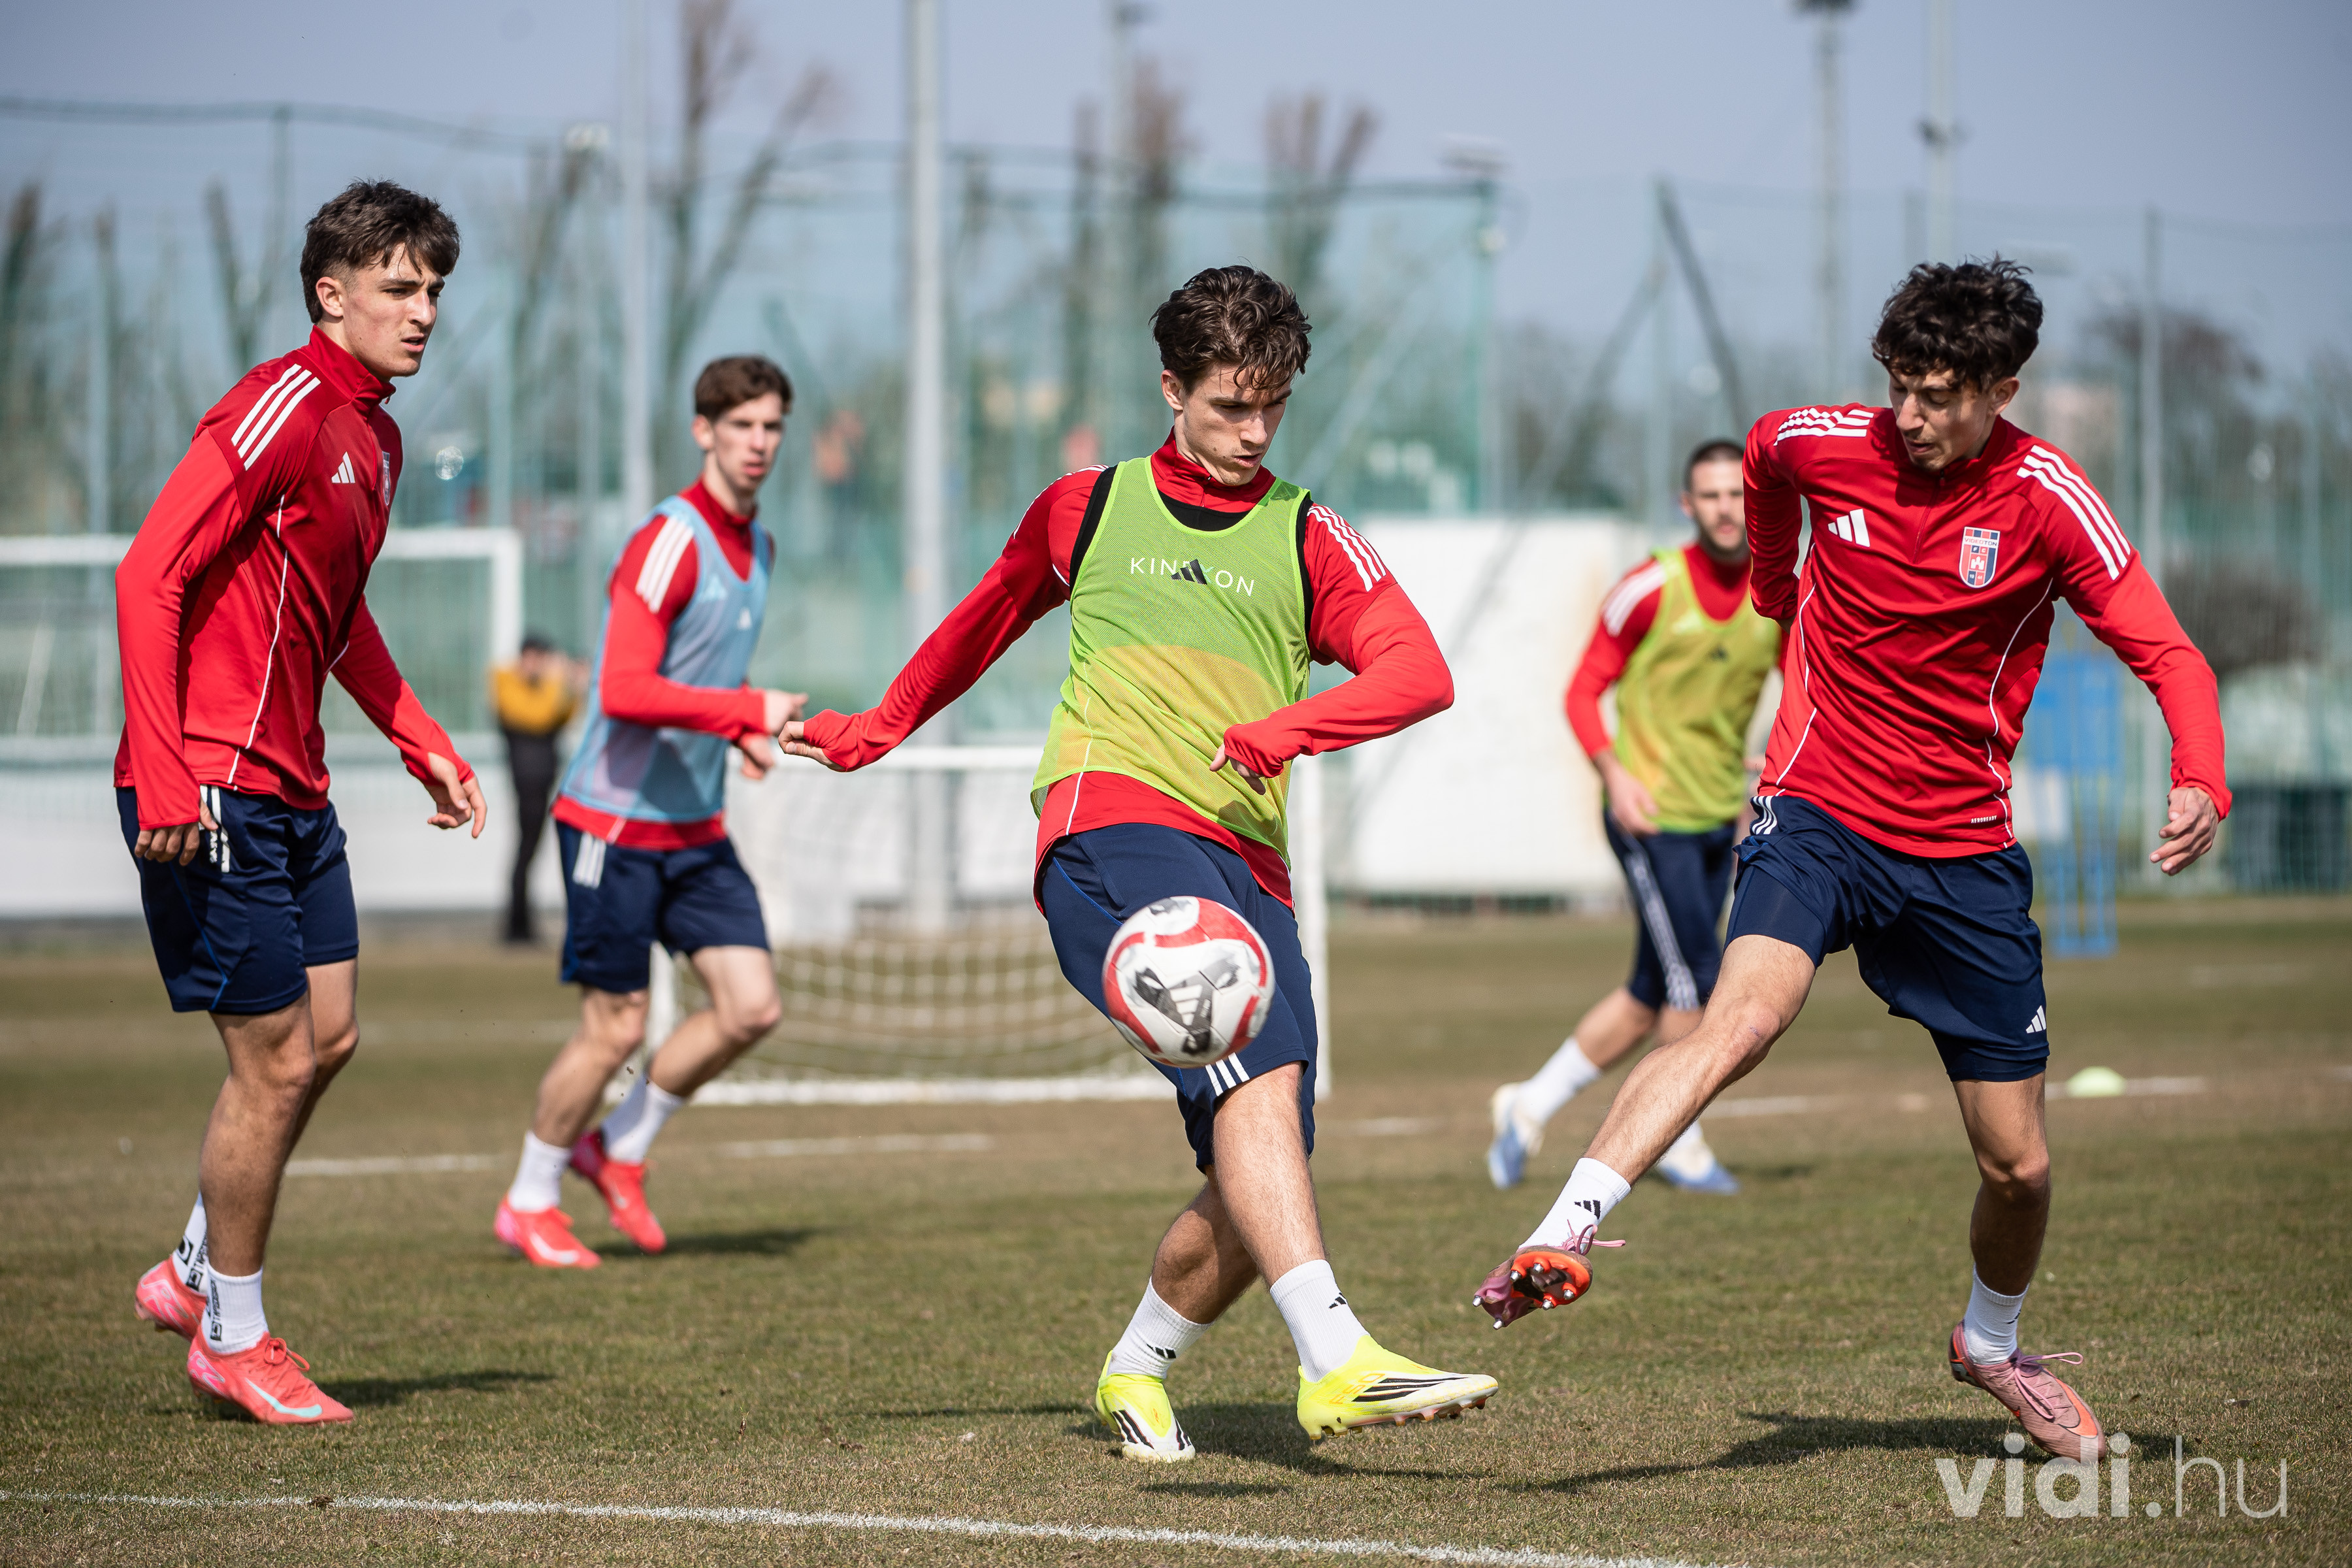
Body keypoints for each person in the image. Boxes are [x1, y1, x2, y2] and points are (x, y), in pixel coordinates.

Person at [1471, 259, 2229, 1462]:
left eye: (1939, 395)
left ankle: (1991, 1345)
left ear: (2002, 391)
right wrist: (1779, 579)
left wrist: (2200, 773)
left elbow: (2170, 653)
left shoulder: (2049, 497)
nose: (1910, 416)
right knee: (1739, 1021)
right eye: (1899, 388)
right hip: (1815, 807)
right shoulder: (1826, 442)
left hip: (1963, 851)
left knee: (2019, 1166)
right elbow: (1766, 458)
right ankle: (1562, 1228)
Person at [782, 266, 1496, 1459]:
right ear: (1172, 390)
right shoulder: (1089, 507)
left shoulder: (1308, 531)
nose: (1255, 431)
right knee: (1256, 1096)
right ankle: (1337, 1360)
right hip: (1109, 825)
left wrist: (1288, 729)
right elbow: (983, 619)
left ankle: (1138, 1366)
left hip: (1249, 865)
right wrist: (881, 727)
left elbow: (1419, 674)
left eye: (1274, 405)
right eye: (1231, 406)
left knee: (1268, 1145)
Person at [119, 182, 485, 1425]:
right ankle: (231, 1334)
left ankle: (190, 1268)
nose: (422, 310)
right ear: (331, 295)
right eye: (398, 287)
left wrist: (418, 734)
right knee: (273, 1061)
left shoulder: (375, 440)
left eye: (434, 289)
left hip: (293, 784)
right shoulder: (281, 406)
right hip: (211, 781)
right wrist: (166, 769)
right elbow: (147, 575)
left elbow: (339, 614)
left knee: (327, 1038)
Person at [493, 355, 806, 1269]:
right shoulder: (669, 539)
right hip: (613, 826)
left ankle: (618, 1148)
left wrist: (738, 729)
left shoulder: (761, 547)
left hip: (694, 827)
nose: (758, 443)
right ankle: (529, 1198)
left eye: (771, 427)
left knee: (751, 1007)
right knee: (618, 1027)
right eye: (741, 425)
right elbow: (625, 689)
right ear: (703, 431)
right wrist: (747, 710)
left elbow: (697, 675)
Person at [1486, 440, 1781, 1195]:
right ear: (1688, 505)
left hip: (1718, 817)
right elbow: (1582, 692)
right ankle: (1680, 1138)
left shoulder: (1775, 593)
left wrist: (1774, 763)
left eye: (1738, 494)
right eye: (1711, 495)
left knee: (1651, 991)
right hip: (1649, 818)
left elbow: (1808, 690)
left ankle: (1528, 1104)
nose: (1727, 509)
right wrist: (1614, 775)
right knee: (1699, 982)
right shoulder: (1650, 587)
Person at [491, 634, 582, 943]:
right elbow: (538, 717)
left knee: (530, 849)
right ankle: (516, 926)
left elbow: (564, 716)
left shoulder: (544, 688)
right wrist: (557, 680)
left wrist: (572, 686)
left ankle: (522, 924)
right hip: (526, 782)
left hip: (543, 781)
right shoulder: (505, 682)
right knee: (525, 850)